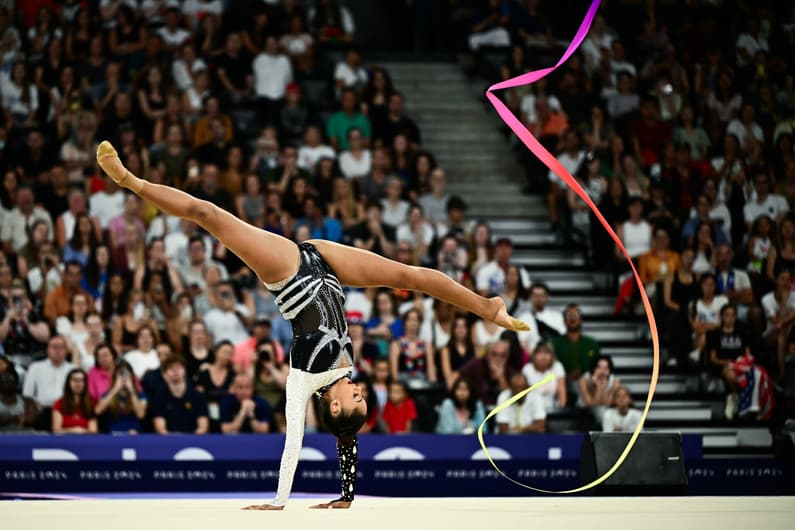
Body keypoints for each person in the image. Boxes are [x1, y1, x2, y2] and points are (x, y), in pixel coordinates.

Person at [96, 140, 527, 510]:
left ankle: (130, 181)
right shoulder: (344, 382)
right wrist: (346, 493)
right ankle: (487, 306)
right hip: (329, 266)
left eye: (355, 399)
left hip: (289, 272)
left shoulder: (303, 378)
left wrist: (279, 500)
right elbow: (348, 440)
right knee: (408, 276)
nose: (361, 390)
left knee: (209, 215)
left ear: (334, 406)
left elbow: (293, 442)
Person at [151, 355, 209, 435]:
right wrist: (175, 441)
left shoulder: (198, 397)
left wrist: (190, 441)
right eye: (171, 369)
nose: (175, 371)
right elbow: (160, 428)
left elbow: (203, 427)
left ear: (184, 371)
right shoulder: (159, 397)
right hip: (169, 442)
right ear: (164, 375)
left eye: (178, 368)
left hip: (193, 442)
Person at [94, 359, 147, 433]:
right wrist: (115, 390)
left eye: (126, 374)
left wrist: (131, 390)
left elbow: (140, 415)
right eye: (120, 373)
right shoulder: (107, 395)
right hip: (113, 433)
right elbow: (98, 411)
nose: (123, 377)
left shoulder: (140, 395)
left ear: (131, 376)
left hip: (133, 433)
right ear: (115, 376)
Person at [52, 368, 98, 434]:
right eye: (75, 380)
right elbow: (56, 431)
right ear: (68, 383)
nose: (78, 383)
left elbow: (93, 431)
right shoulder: (59, 403)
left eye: (81, 380)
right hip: (64, 441)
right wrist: (73, 431)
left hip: (85, 441)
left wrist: (82, 431)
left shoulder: (91, 403)